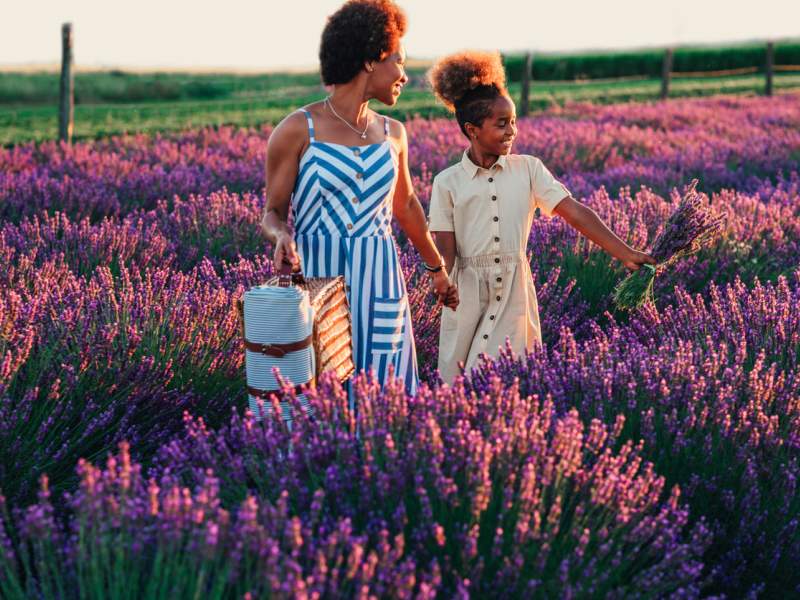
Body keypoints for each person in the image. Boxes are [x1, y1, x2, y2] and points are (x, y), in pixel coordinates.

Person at [261, 0, 458, 395]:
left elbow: (406, 206)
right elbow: (273, 212)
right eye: (398, 61)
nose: (404, 75)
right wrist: (280, 235)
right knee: (319, 396)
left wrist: (437, 270)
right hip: (320, 282)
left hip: (380, 282)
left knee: (388, 395)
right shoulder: (298, 129)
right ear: (370, 59)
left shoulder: (394, 133)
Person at [427, 51, 656, 383]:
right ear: (472, 129)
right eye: (501, 123)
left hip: (513, 293)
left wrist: (625, 252)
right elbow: (445, 248)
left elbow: (575, 212)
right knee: (459, 381)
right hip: (467, 293)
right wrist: (443, 281)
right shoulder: (446, 182)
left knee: (496, 375)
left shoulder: (529, 169)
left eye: (514, 122)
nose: (512, 131)